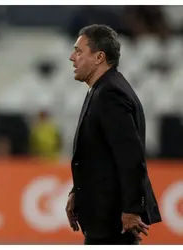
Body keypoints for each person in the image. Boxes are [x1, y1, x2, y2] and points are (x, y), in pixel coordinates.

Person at [65, 24, 161, 245]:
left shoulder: (110, 94)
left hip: (112, 220)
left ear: (99, 57)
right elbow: (97, 155)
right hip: (104, 218)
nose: (72, 57)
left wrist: (131, 210)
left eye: (79, 51)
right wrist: (76, 191)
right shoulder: (102, 89)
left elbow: (130, 157)